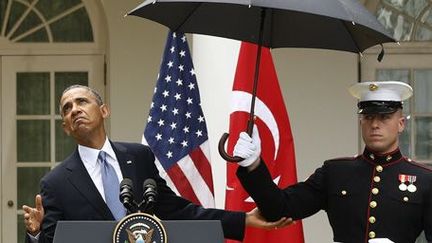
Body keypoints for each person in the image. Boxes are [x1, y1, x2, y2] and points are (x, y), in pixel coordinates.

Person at [22, 84, 291, 243]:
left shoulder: (138, 157)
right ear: (65, 127)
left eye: (82, 101)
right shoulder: (55, 183)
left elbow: (177, 210)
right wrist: (34, 234)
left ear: (104, 111)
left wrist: (243, 220)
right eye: (67, 108)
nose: (75, 109)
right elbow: (53, 239)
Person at [233, 81, 432, 243]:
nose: (375, 125)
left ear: (401, 124)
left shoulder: (425, 179)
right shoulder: (336, 172)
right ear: (361, 122)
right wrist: (252, 165)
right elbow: (279, 209)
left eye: (384, 117)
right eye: (368, 117)